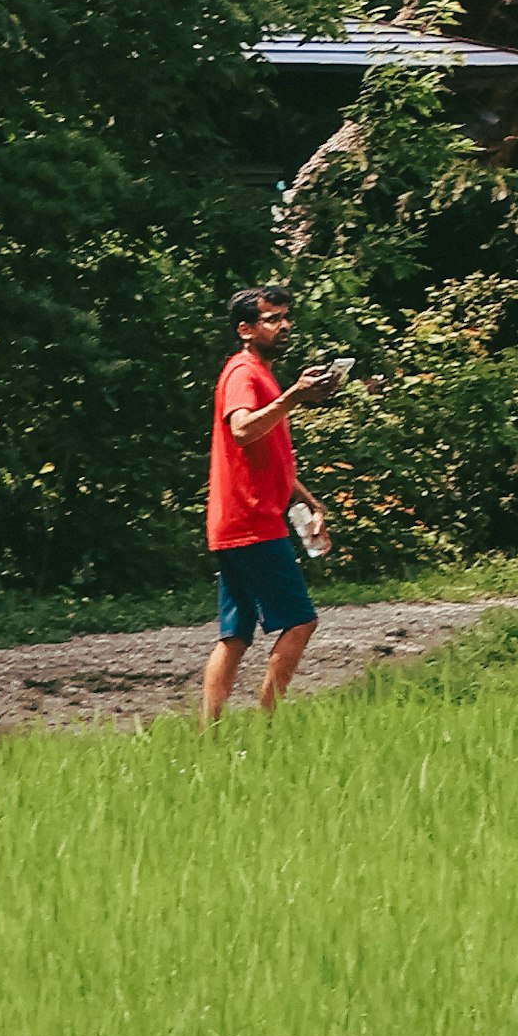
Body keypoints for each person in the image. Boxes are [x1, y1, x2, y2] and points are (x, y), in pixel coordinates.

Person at [200, 282, 346, 722]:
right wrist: (294, 397)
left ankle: (210, 736)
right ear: (246, 329)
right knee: (301, 621)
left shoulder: (260, 373)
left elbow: (271, 456)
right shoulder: (243, 373)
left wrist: (311, 502)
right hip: (251, 523)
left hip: (236, 523)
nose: (284, 326)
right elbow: (242, 430)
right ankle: (268, 725)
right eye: (272, 319)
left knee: (235, 636)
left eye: (287, 317)